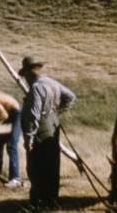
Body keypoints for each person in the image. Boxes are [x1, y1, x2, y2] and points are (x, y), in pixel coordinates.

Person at [19, 56, 76, 209]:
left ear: (29, 73)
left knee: (36, 167)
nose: (25, 80)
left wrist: (29, 139)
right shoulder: (51, 82)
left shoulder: (37, 87)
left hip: (40, 130)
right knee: (52, 165)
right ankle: (52, 200)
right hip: (52, 126)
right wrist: (55, 113)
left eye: (25, 76)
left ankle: (38, 202)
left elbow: (33, 114)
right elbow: (70, 97)